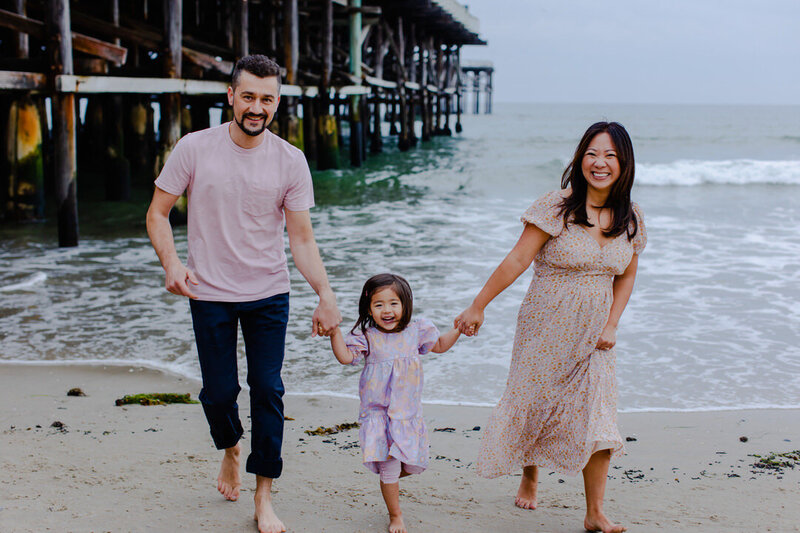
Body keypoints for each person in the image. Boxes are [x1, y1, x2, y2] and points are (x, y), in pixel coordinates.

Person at [145, 54, 341, 533]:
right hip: (208, 291)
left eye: (267, 99)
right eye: (248, 96)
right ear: (231, 95)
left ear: (278, 102)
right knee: (217, 394)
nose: (257, 108)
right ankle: (231, 446)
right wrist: (172, 264)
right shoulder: (194, 148)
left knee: (268, 390)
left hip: (269, 292)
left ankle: (263, 494)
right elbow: (157, 213)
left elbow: (302, 240)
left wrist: (325, 294)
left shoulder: (290, 160)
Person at [455, 122, 646, 533]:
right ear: (580, 159)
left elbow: (627, 275)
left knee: (599, 417)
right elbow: (517, 259)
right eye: (592, 153)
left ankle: (595, 512)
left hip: (596, 337)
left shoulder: (630, 218)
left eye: (610, 155)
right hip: (545, 326)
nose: (600, 163)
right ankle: (530, 473)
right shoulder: (556, 207)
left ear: (624, 164)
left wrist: (612, 324)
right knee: (536, 403)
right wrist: (478, 305)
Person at [326, 273, 461, 533]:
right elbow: (345, 357)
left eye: (393, 303)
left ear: (405, 305)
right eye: (379, 305)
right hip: (379, 415)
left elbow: (441, 345)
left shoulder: (416, 331)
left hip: (408, 415)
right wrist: (334, 334)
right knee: (389, 466)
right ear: (369, 309)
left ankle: (389, 478)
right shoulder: (367, 336)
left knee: (412, 464)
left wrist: (459, 329)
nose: (387, 310)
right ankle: (395, 515)